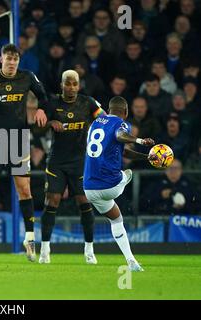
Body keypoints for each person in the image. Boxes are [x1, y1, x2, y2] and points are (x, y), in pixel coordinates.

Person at [0, 43, 48, 262]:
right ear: (1, 60)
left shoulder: (27, 77)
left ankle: (29, 238)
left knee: (24, 190)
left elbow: (43, 96)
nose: (11, 63)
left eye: (15, 59)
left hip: (18, 140)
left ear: (18, 61)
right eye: (8, 59)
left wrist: (42, 109)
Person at [39, 70, 106, 265]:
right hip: (57, 162)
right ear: (61, 85)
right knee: (52, 202)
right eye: (67, 84)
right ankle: (45, 249)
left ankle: (89, 250)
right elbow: (36, 126)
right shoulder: (53, 104)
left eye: (74, 84)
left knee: (84, 203)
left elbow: (104, 119)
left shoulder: (88, 103)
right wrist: (51, 122)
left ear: (79, 85)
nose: (71, 87)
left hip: (80, 162)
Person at [83, 96, 157, 271]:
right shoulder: (121, 124)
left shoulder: (95, 123)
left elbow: (124, 151)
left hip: (89, 188)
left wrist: (146, 157)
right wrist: (140, 141)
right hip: (111, 185)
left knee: (117, 220)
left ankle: (131, 261)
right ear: (126, 112)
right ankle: (126, 177)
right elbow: (120, 135)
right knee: (128, 173)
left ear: (109, 110)